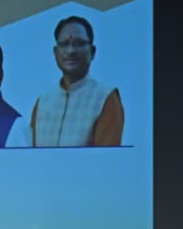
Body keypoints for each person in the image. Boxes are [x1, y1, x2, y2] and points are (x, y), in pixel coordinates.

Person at [28, 15, 124, 146]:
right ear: (55, 52)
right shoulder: (44, 101)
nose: (71, 50)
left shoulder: (105, 98)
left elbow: (107, 157)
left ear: (92, 51)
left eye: (79, 43)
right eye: (64, 44)